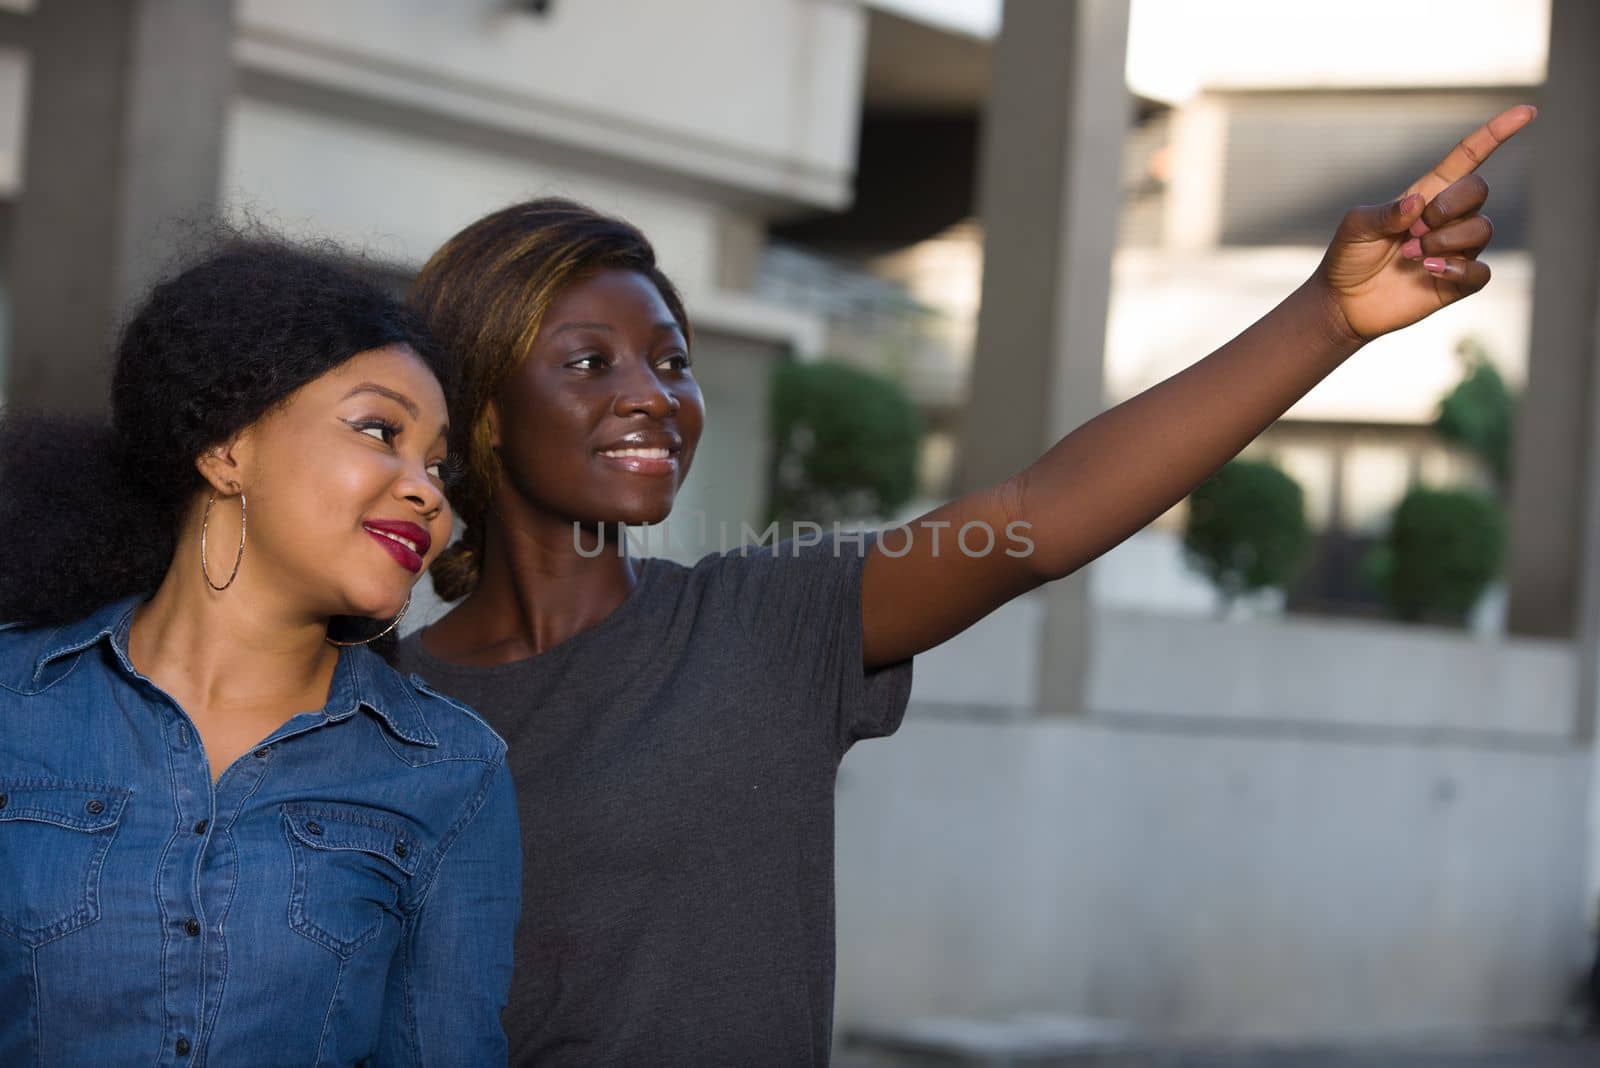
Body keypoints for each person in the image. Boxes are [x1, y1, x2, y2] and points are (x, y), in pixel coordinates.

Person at [395, 106, 1534, 1065]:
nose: (652, 393)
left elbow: (1034, 521)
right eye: (591, 362)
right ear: (483, 408)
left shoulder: (761, 622)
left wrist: (1327, 317)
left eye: (673, 360)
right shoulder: (370, 703)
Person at [0, 239, 520, 1065]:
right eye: (379, 429)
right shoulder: (12, 703)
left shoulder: (451, 770)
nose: (427, 492)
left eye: (439, 467)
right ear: (226, 448)